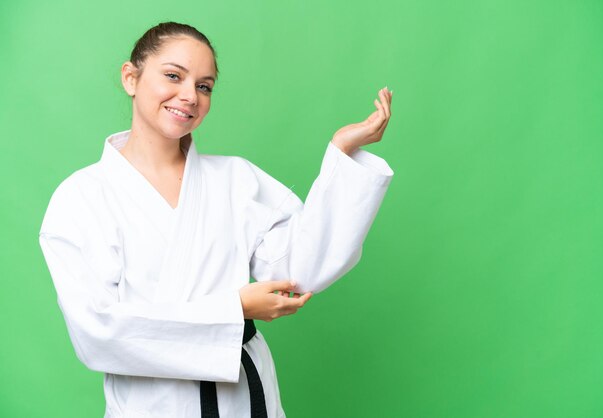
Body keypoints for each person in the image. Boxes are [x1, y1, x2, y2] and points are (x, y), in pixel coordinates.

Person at [39, 22, 393, 418]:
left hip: (245, 398)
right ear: (131, 77)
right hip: (151, 406)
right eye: (173, 76)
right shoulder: (81, 198)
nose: (189, 96)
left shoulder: (236, 179)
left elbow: (301, 269)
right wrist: (232, 309)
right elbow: (97, 332)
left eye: (204, 86)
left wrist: (342, 155)